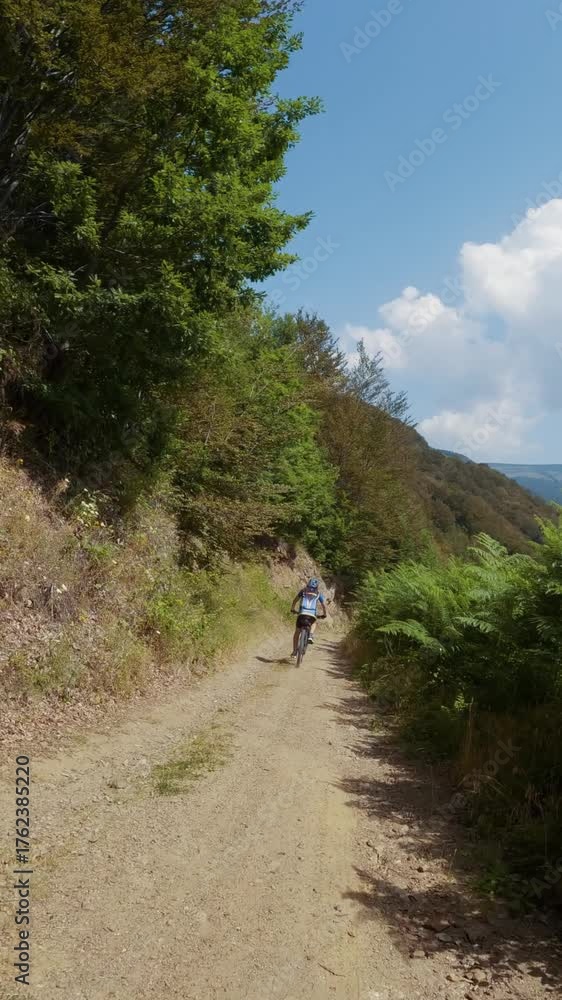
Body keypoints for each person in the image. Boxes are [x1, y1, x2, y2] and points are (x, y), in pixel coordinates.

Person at [290, 578, 327, 656]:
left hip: (302, 614)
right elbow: (324, 605)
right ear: (317, 586)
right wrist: (324, 614)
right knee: (314, 622)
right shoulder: (318, 593)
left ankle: (294, 651)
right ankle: (310, 635)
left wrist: (292, 609)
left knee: (297, 632)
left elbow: (295, 600)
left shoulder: (303, 591)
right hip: (311, 615)